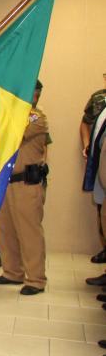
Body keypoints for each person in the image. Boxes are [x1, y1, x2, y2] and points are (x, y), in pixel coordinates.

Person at [0, 80, 50, 295]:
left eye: (34, 92)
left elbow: (14, 133)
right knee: (5, 228)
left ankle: (35, 278)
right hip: (6, 181)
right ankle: (12, 272)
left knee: (29, 231)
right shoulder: (11, 114)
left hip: (27, 182)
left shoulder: (36, 117)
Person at [80, 72, 106, 264]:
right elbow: (85, 123)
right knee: (101, 208)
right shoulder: (99, 98)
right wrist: (87, 145)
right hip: (100, 163)